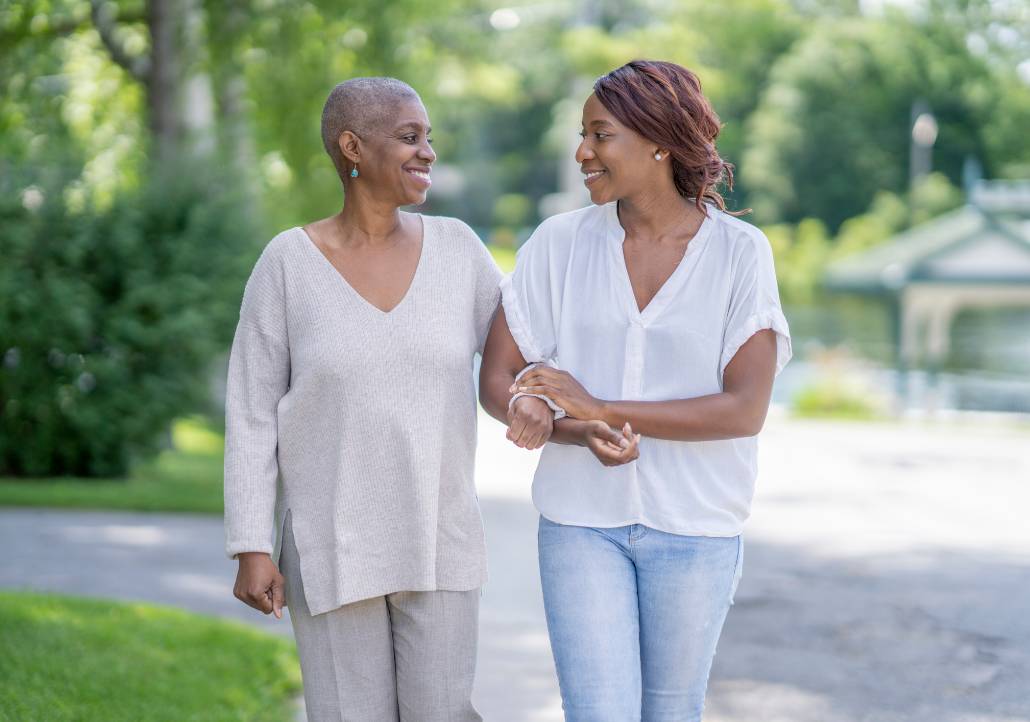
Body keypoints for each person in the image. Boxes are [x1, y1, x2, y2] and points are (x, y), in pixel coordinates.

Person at [479, 60, 792, 721]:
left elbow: (745, 409)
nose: (582, 152)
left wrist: (601, 407)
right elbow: (499, 378)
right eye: (583, 134)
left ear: (658, 141)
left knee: (671, 713)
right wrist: (551, 416)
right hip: (580, 524)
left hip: (698, 527)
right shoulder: (558, 244)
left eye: (600, 135)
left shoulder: (740, 253)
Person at [223, 77, 500, 721]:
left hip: (440, 534)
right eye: (409, 137)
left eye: (428, 138)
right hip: (330, 541)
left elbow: (524, 349)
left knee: (443, 712)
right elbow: (251, 410)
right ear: (353, 146)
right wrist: (250, 544)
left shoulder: (459, 251)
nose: (428, 151)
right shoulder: (288, 264)